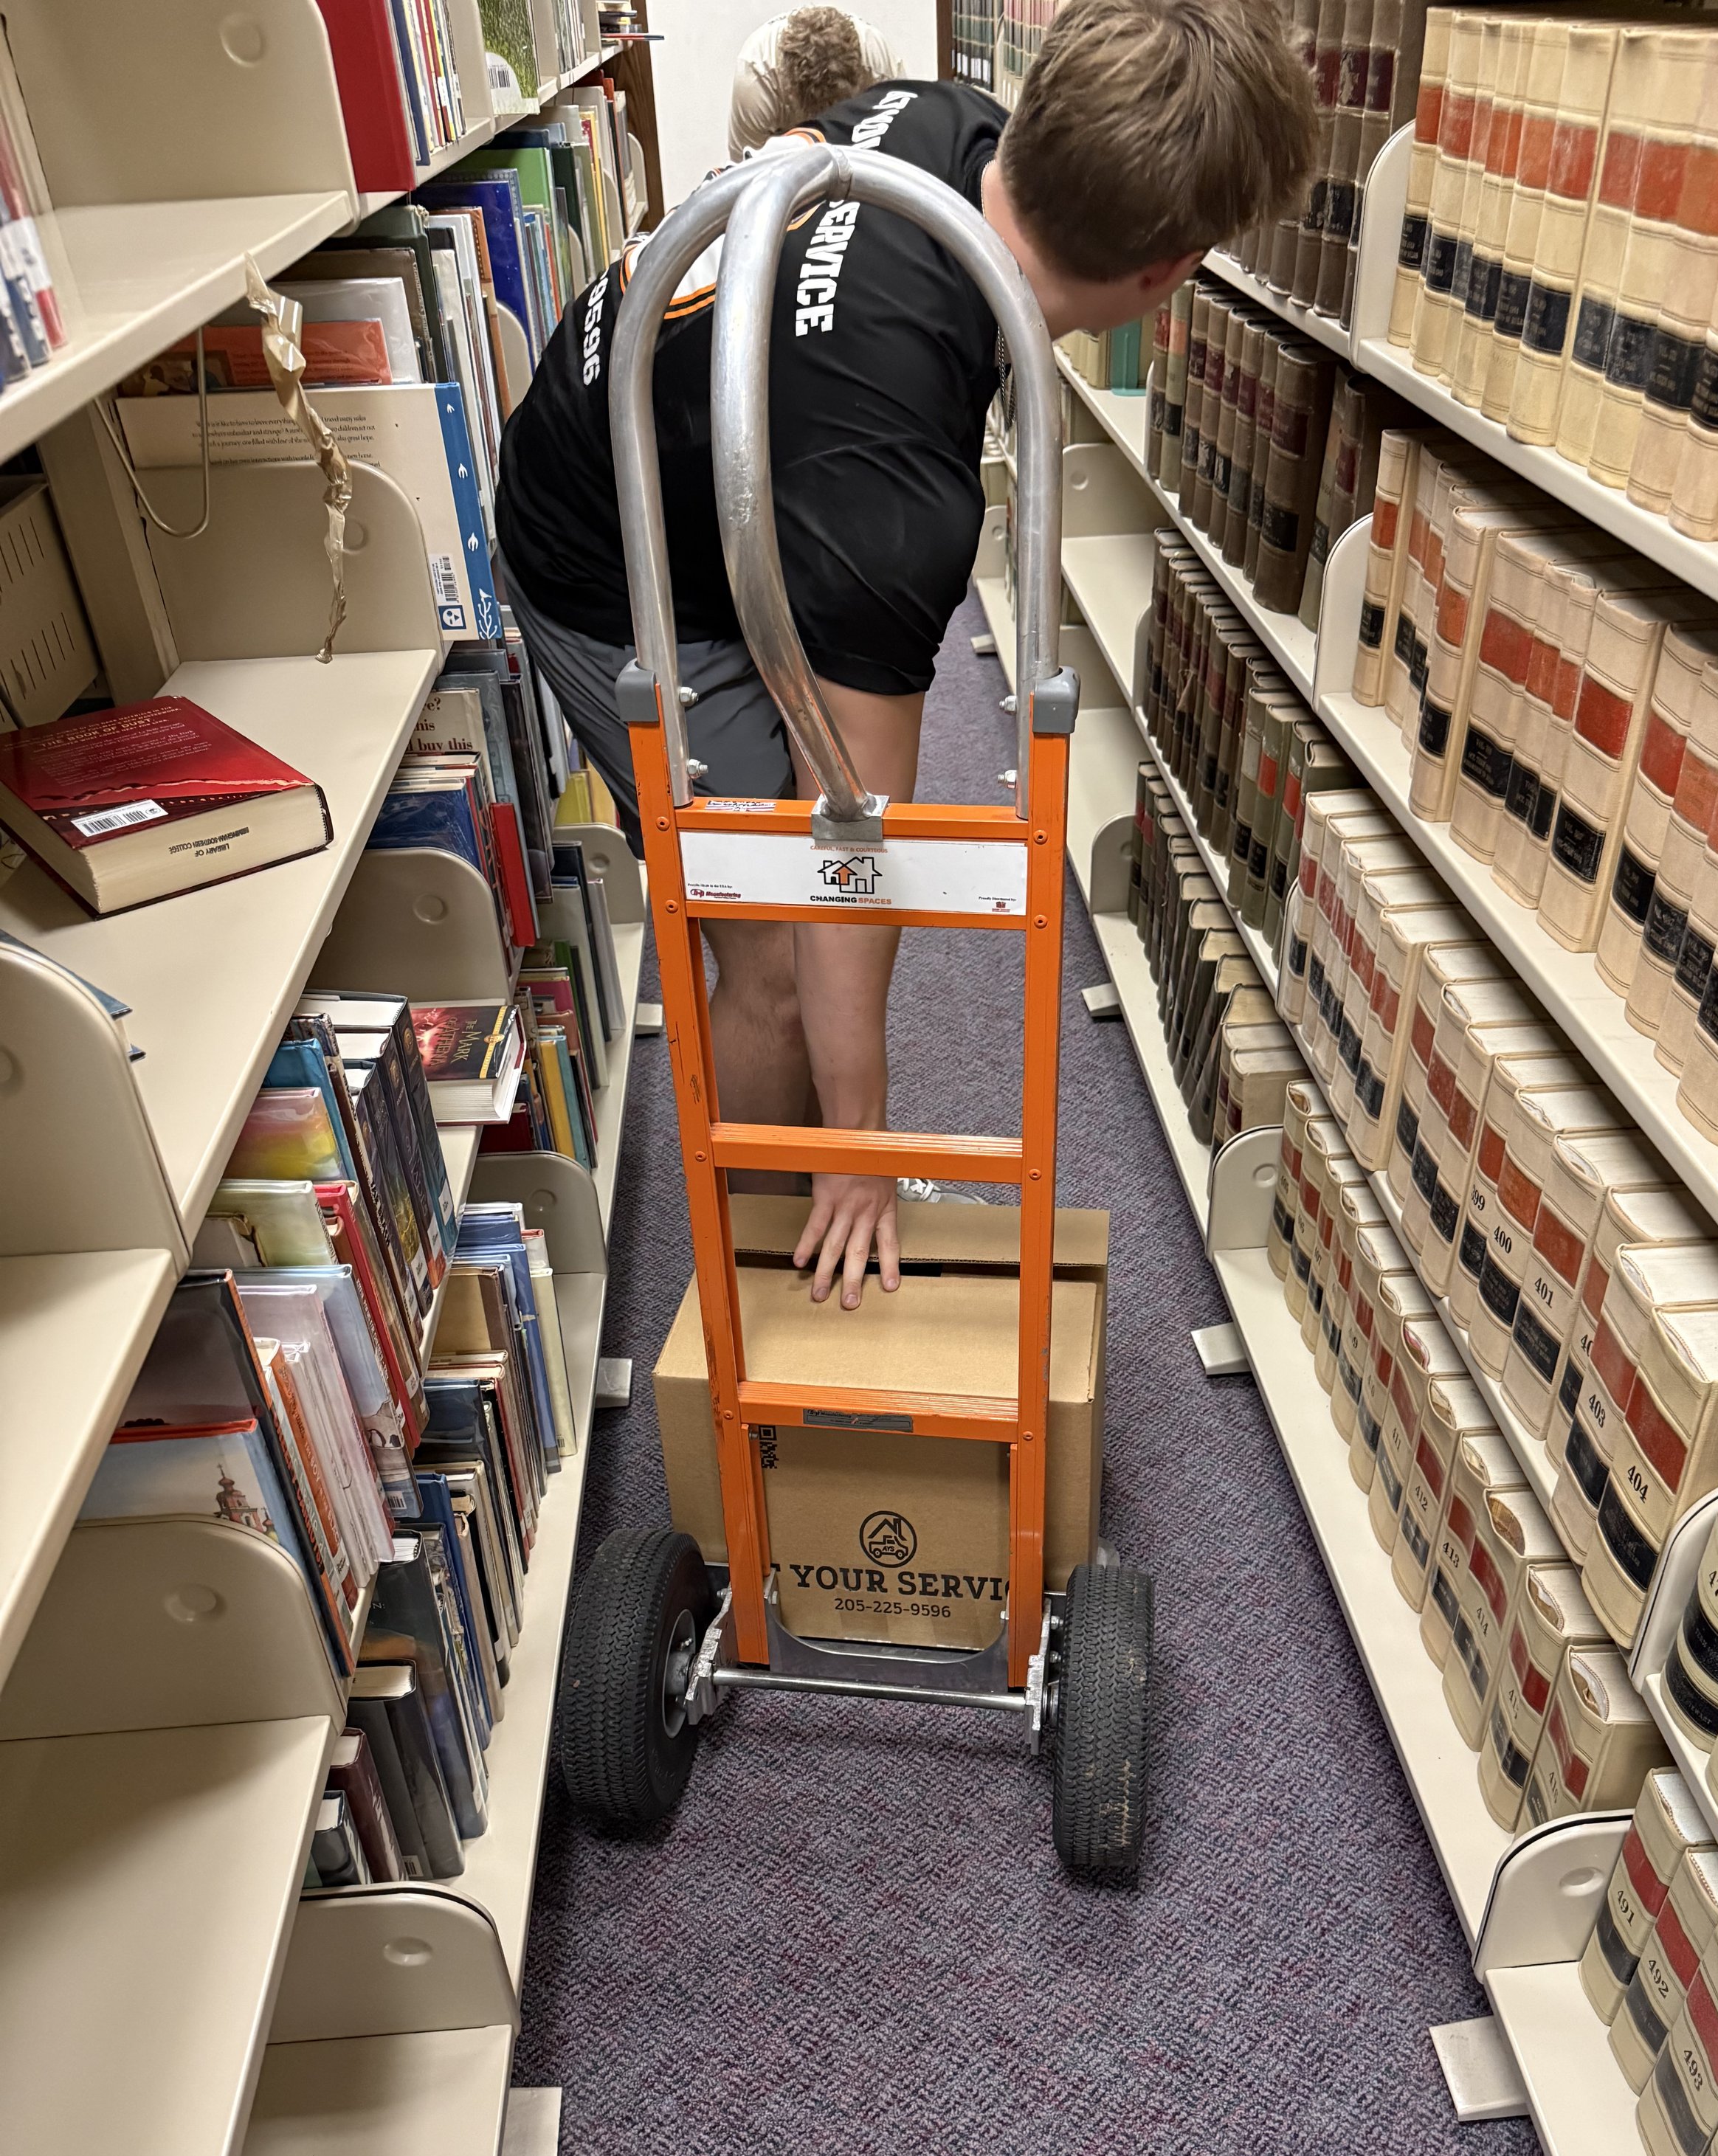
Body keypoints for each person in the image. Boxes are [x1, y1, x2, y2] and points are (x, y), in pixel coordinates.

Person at [494, 0, 1315, 1311]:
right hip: (607, 551)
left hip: (720, 470)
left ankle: (804, 1202)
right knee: (768, 943)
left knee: (798, 868)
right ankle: (763, 1287)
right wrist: (863, 1148)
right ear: (1168, 273)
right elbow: (851, 847)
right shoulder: (894, 505)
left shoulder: (948, 124)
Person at [728, 7, 903, 158]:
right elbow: (746, 177)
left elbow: (902, 153)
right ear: (789, 89)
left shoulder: (878, 65)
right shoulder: (756, 79)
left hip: (859, 145)